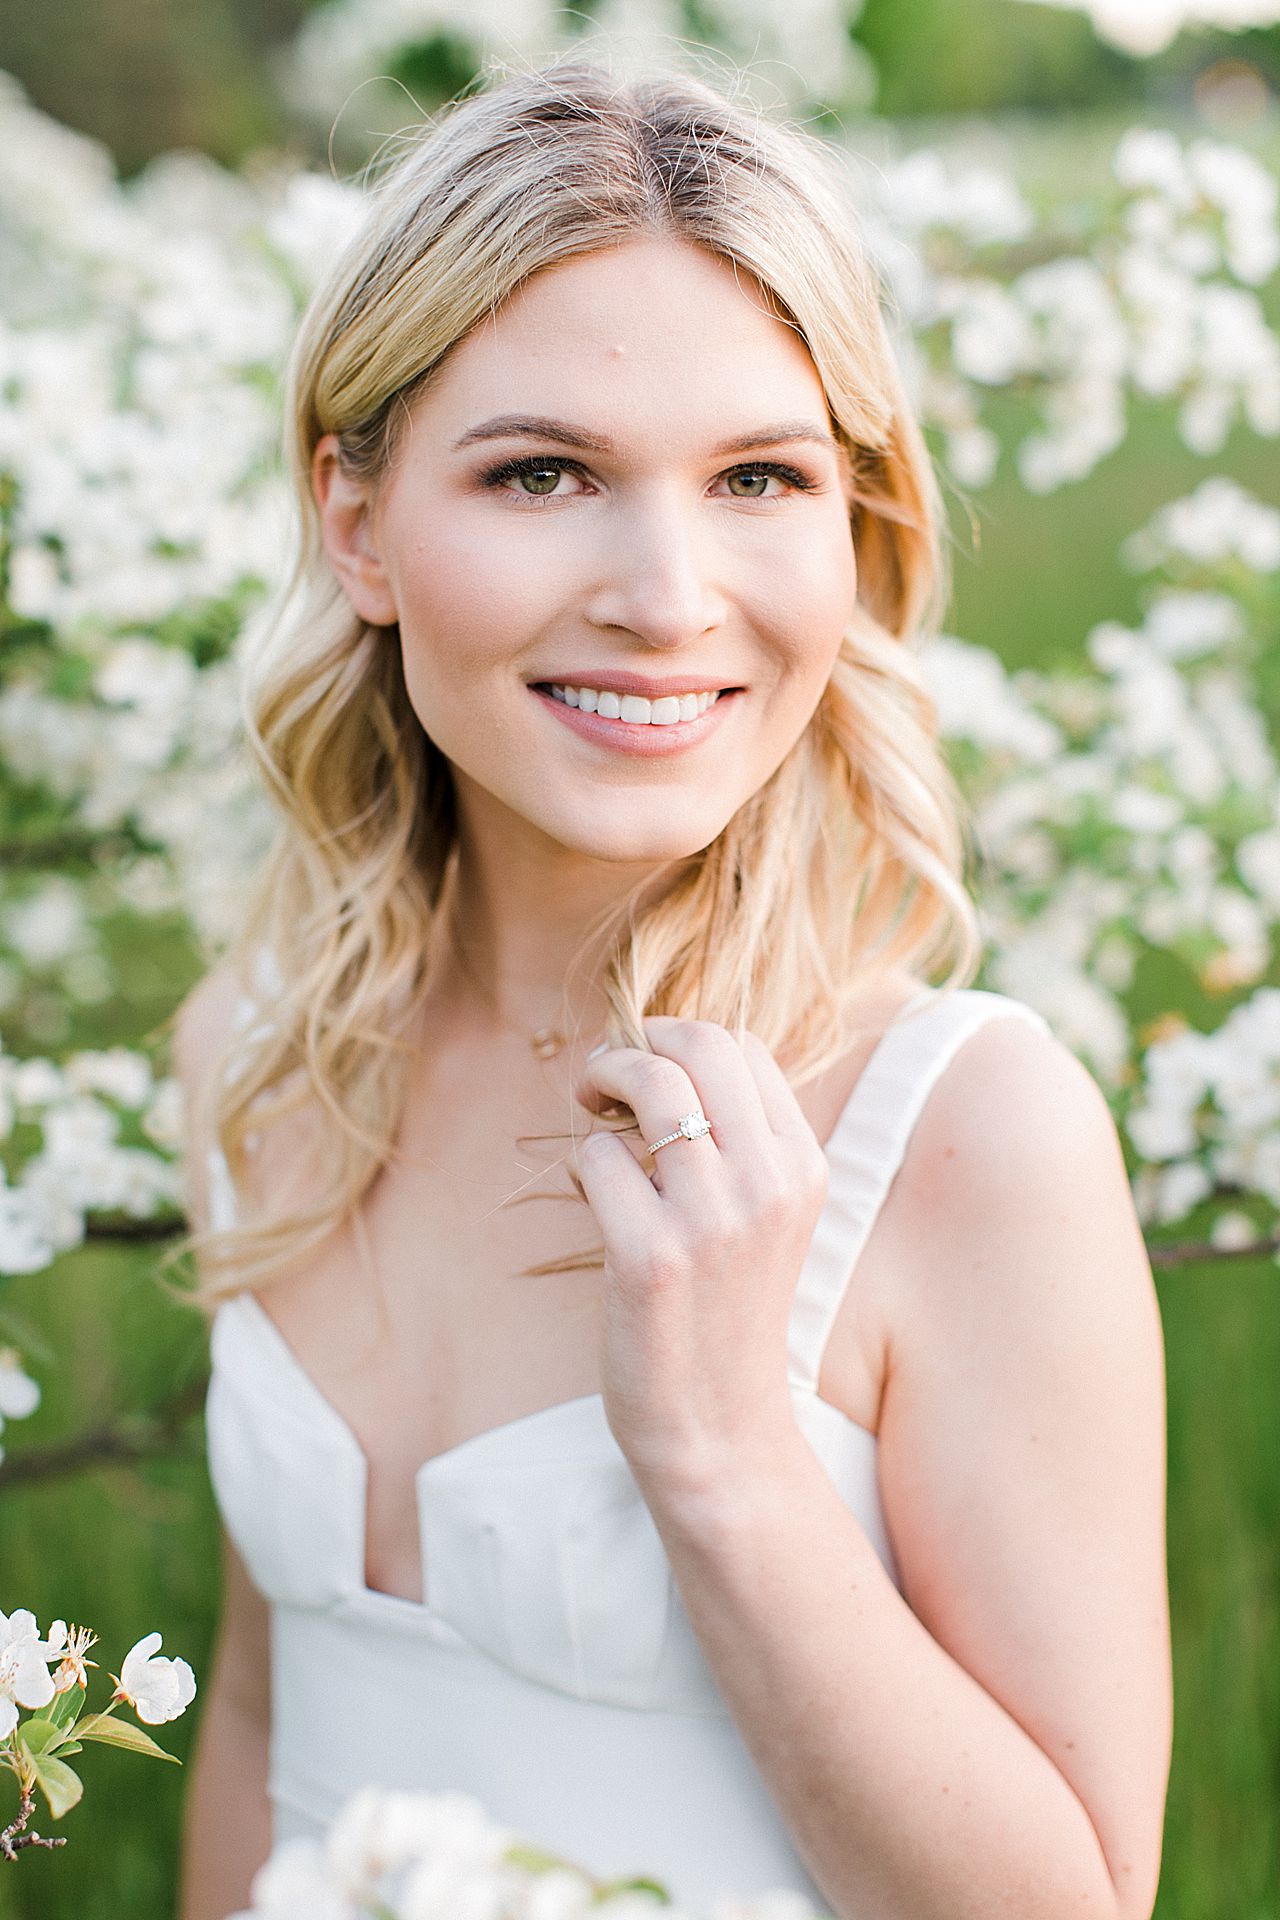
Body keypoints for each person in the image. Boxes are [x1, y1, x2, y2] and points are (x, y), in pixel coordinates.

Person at [171, 52, 1171, 1920]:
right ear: (359, 524)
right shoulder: (253, 1058)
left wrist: (721, 1455)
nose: (667, 592)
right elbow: (259, 1725)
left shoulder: (962, 1132)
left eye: (759, 479)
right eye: (543, 472)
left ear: (851, 534)